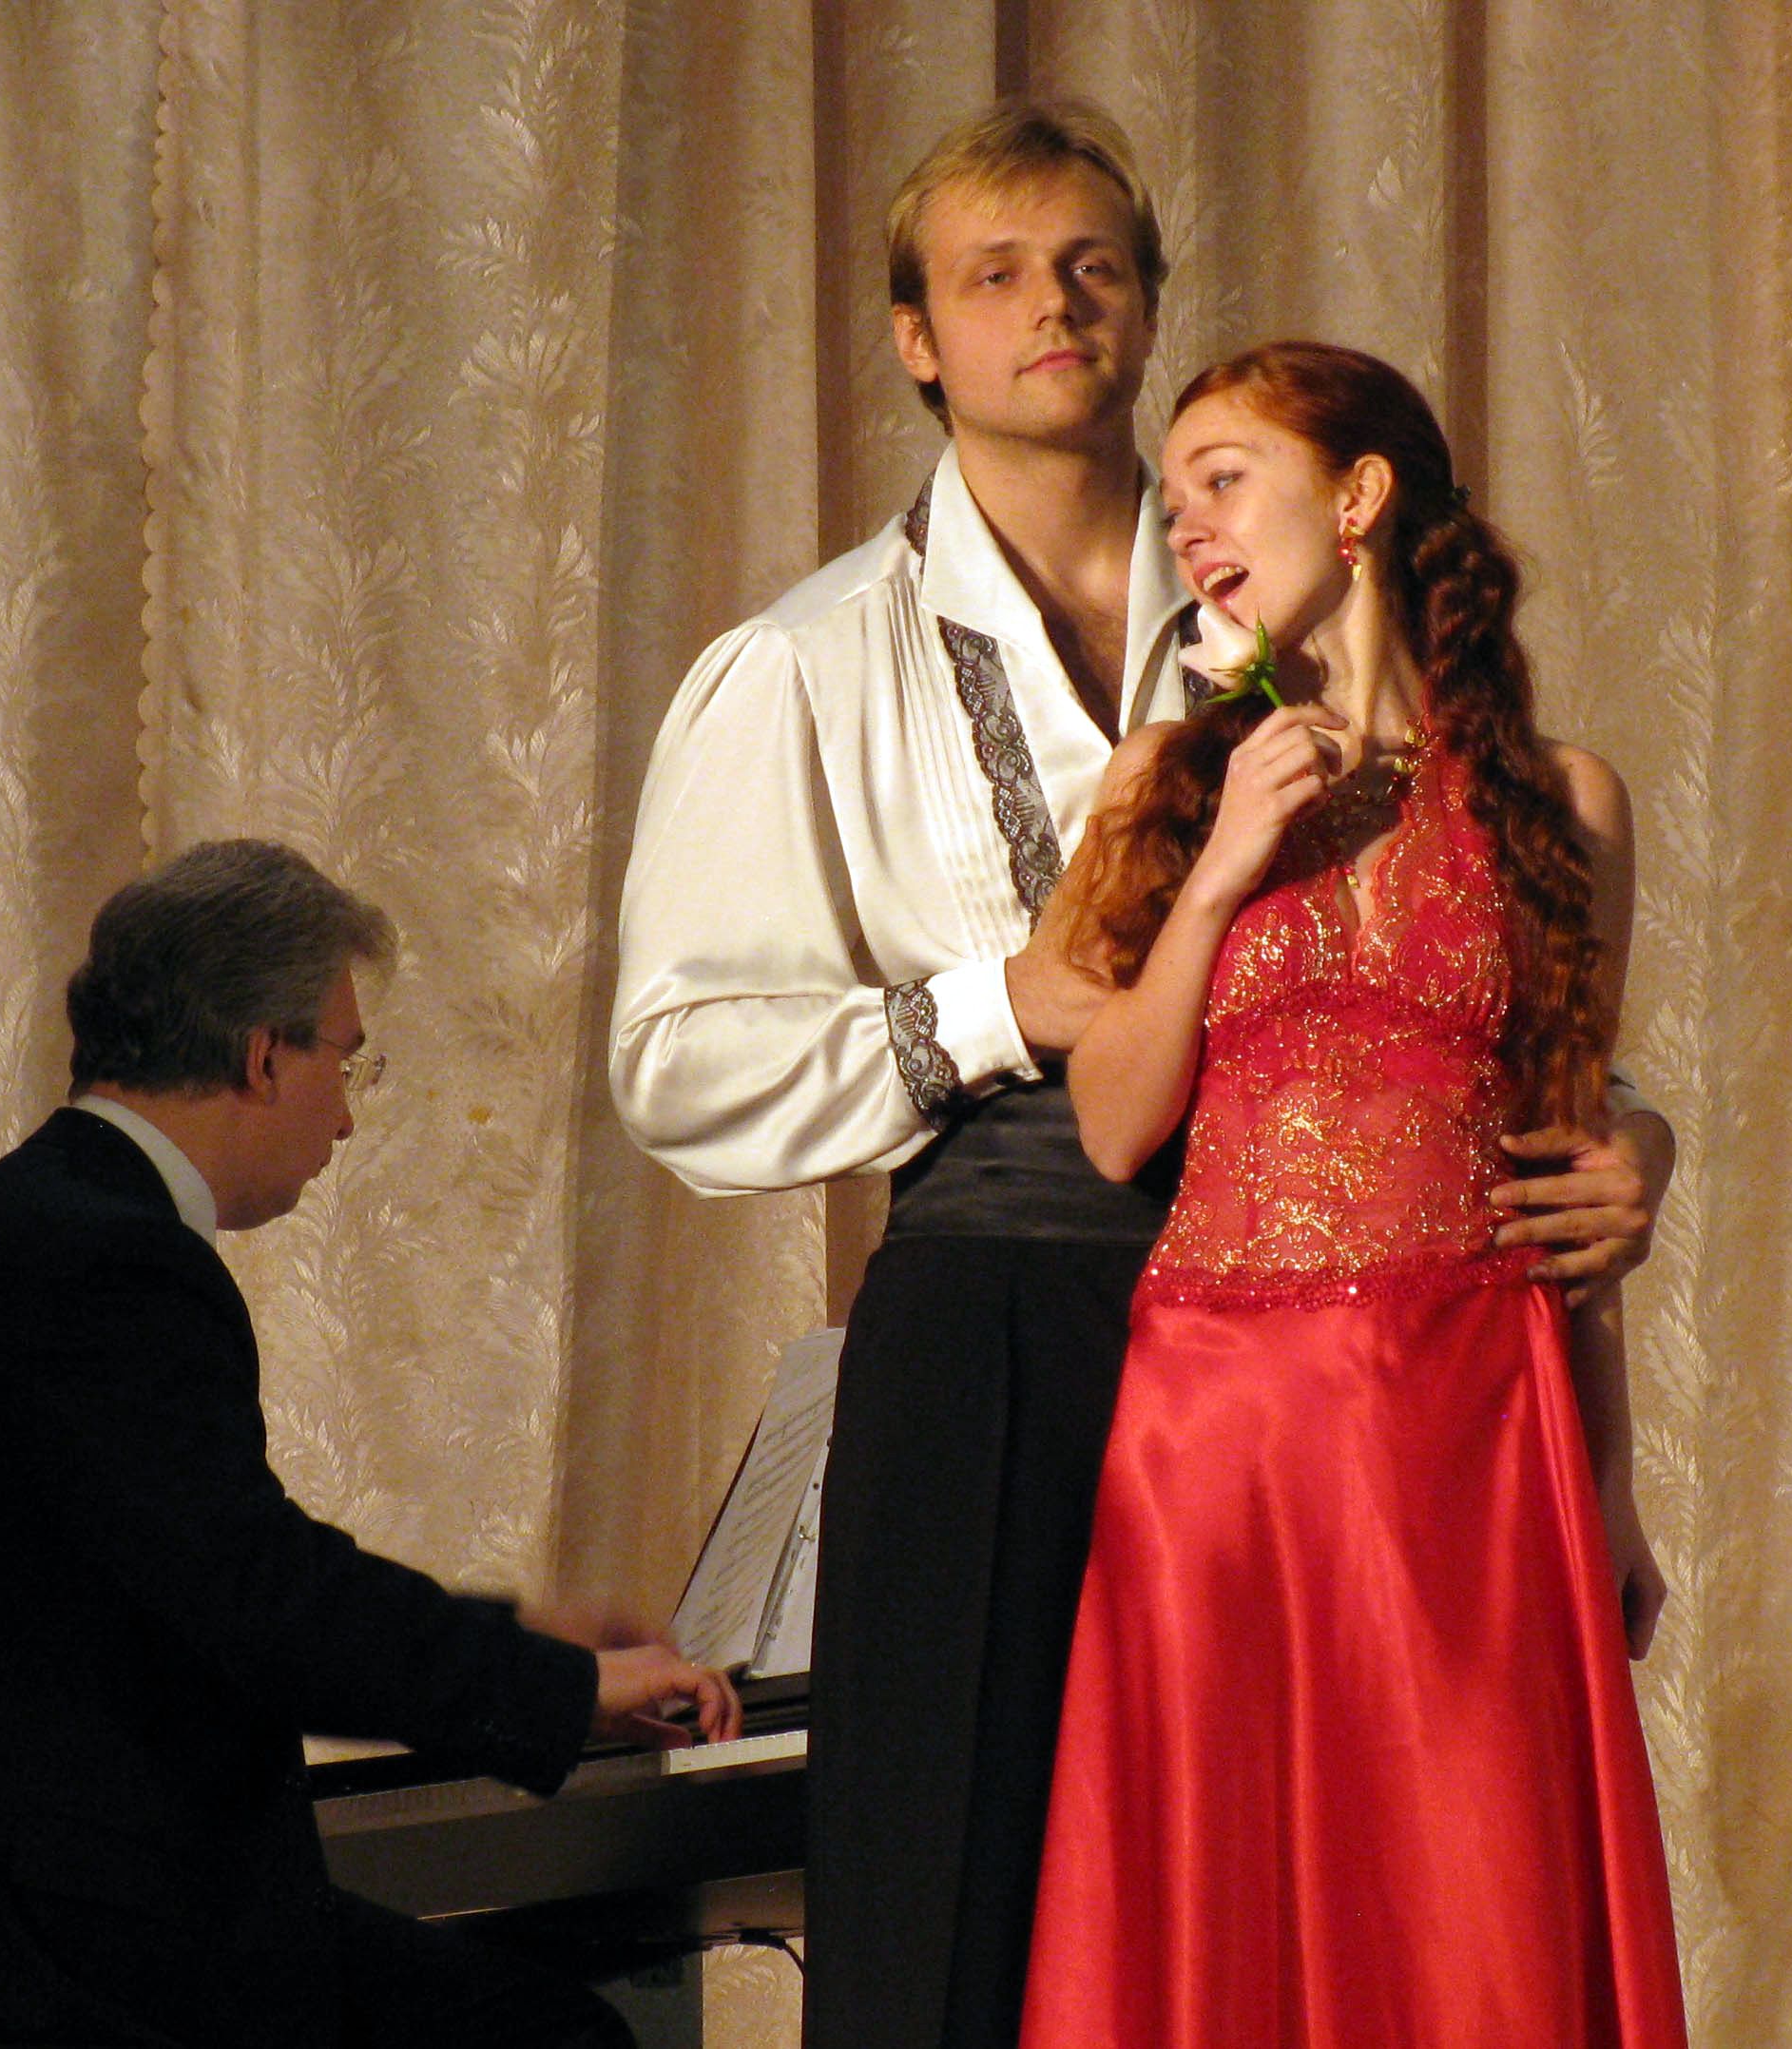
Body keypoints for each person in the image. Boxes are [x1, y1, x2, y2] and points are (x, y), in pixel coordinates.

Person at [608, 100, 1674, 2049]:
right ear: (915, 337)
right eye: (995, 273)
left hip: (1328, 1347)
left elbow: (1470, 982)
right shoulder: (809, 660)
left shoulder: (1267, 592)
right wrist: (996, 1005)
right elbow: (677, 1066)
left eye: (1093, 266)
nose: (1054, 306)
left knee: (1363, 1905)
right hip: (1010, 1297)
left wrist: (1633, 1144)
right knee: (968, 1923)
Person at [0, 839, 738, 2049]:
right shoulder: (106, 1260)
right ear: (263, 1054)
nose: (347, 1116)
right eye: (346, 1059)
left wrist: (525, 1637)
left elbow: (171, 1587)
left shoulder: (30, 1225)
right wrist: (563, 1689)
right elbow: (254, 1597)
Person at [1017, 341, 1686, 2046]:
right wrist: (1221, 867)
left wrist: (1609, 1481)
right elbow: (1112, 1125)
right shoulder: (1163, 782)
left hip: (1472, 1422)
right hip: (1216, 1439)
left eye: (1223, 480)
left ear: (1360, 496)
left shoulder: (1562, 803)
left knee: (1474, 1903)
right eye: (1173, 500)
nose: (1188, 526)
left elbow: (1569, 1167)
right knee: (1228, 1905)